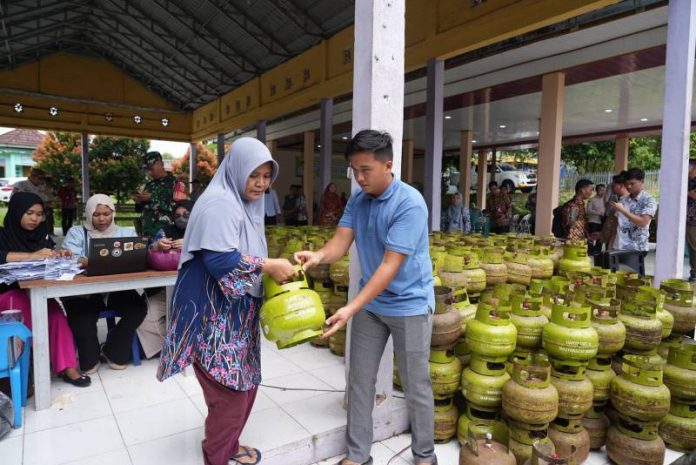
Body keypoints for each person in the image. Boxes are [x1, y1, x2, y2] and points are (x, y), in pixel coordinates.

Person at [295, 130, 437, 465]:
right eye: (354, 171)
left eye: (366, 170)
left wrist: (350, 307)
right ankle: (358, 455)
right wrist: (317, 256)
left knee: (416, 386)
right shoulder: (359, 200)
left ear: (388, 165)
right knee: (359, 380)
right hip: (372, 306)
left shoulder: (410, 204)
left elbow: (390, 265)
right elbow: (341, 242)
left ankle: (425, 456)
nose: (359, 178)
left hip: (410, 306)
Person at [157, 138, 297, 465]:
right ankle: (216, 456)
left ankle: (230, 446)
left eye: (266, 176)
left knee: (246, 382)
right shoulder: (220, 202)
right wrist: (268, 265)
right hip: (212, 319)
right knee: (230, 395)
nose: (261, 184)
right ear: (236, 171)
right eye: (254, 175)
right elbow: (219, 261)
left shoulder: (244, 202)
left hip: (235, 315)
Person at [0, 192, 89, 386]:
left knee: (56, 315)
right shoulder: (2, 235)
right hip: (8, 295)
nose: (35, 219)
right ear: (16, 211)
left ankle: (68, 367)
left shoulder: (42, 235)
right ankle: (24, 367)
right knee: (24, 308)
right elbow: (3, 256)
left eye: (39, 214)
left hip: (36, 291)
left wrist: (60, 255)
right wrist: (33, 256)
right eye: (30, 213)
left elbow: (48, 258)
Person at [62, 194, 148, 372]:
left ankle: (111, 348)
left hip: (117, 290)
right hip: (85, 292)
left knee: (137, 308)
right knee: (89, 365)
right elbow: (68, 259)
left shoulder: (126, 233)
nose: (102, 219)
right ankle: (91, 356)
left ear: (113, 213)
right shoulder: (77, 233)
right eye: (96, 214)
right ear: (88, 214)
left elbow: (138, 255)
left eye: (106, 214)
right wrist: (89, 261)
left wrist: (92, 261)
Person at [141, 200, 194, 358]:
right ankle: (168, 348)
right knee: (145, 316)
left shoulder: (203, 232)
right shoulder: (166, 230)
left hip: (197, 289)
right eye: (177, 215)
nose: (181, 218)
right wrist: (157, 246)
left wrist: (191, 244)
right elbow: (148, 250)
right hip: (167, 290)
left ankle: (191, 345)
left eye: (186, 215)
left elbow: (215, 255)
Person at [610, 168, 657, 272]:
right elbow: (617, 223)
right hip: (618, 246)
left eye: (632, 183)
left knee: (632, 280)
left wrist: (623, 210)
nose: (629, 186)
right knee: (615, 279)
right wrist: (611, 243)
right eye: (627, 184)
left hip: (635, 248)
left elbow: (643, 222)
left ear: (642, 182)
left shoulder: (648, 200)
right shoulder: (623, 200)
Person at [134, 151, 188, 238]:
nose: (149, 173)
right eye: (147, 170)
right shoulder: (149, 185)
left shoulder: (177, 184)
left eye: (151, 169)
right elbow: (140, 210)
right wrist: (139, 202)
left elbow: (181, 209)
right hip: (146, 234)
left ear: (161, 164)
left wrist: (152, 198)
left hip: (166, 235)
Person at [13, 168, 56, 235]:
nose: (42, 181)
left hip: (39, 218)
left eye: (43, 179)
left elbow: (49, 199)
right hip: (24, 217)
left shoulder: (43, 186)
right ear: (33, 176)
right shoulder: (21, 185)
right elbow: (13, 201)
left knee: (39, 236)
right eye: (40, 178)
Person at [586, 184, 606, 255]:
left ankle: (598, 250)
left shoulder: (605, 200)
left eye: (604, 190)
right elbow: (588, 210)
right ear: (596, 191)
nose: (602, 192)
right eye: (600, 190)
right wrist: (599, 213)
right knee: (592, 236)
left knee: (600, 236)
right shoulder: (592, 200)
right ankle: (590, 250)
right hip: (593, 221)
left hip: (602, 221)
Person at [686, 179, 696, 282]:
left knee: (694, 247)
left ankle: (694, 272)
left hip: (693, 220)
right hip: (683, 219)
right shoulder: (685, 179)